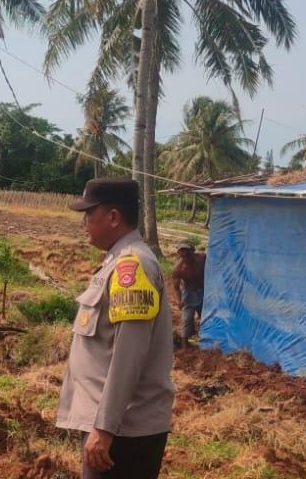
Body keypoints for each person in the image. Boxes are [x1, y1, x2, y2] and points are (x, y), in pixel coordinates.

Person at [57, 178, 175, 479]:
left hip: (122, 431)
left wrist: (104, 427)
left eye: (89, 213)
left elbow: (128, 355)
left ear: (113, 217)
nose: (84, 222)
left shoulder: (132, 266)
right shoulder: (117, 260)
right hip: (114, 425)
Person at [171, 242, 205, 347]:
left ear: (192, 250)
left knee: (205, 315)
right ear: (179, 254)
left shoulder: (202, 258)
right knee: (186, 318)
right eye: (182, 252)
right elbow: (176, 287)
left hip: (203, 289)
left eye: (187, 252)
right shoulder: (178, 269)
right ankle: (184, 345)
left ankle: (206, 338)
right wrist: (179, 301)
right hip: (189, 293)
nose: (185, 255)